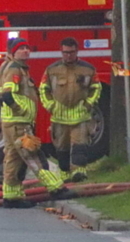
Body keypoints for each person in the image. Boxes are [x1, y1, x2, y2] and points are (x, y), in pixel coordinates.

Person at [0, 37, 75, 208]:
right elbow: (6, 95)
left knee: (14, 159)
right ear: (13, 52)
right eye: (21, 48)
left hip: (12, 122)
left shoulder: (16, 68)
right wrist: (21, 111)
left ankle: (11, 197)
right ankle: (56, 188)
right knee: (34, 156)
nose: (26, 50)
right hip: (18, 123)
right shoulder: (15, 70)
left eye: (27, 47)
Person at [39, 37, 102, 182]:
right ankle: (64, 174)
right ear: (61, 52)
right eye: (65, 52)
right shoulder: (52, 70)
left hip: (80, 116)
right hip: (59, 117)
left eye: (71, 52)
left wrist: (88, 104)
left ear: (77, 51)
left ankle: (79, 173)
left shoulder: (88, 69)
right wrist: (50, 106)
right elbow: (43, 89)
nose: (68, 55)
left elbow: (96, 88)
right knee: (61, 149)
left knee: (79, 145)